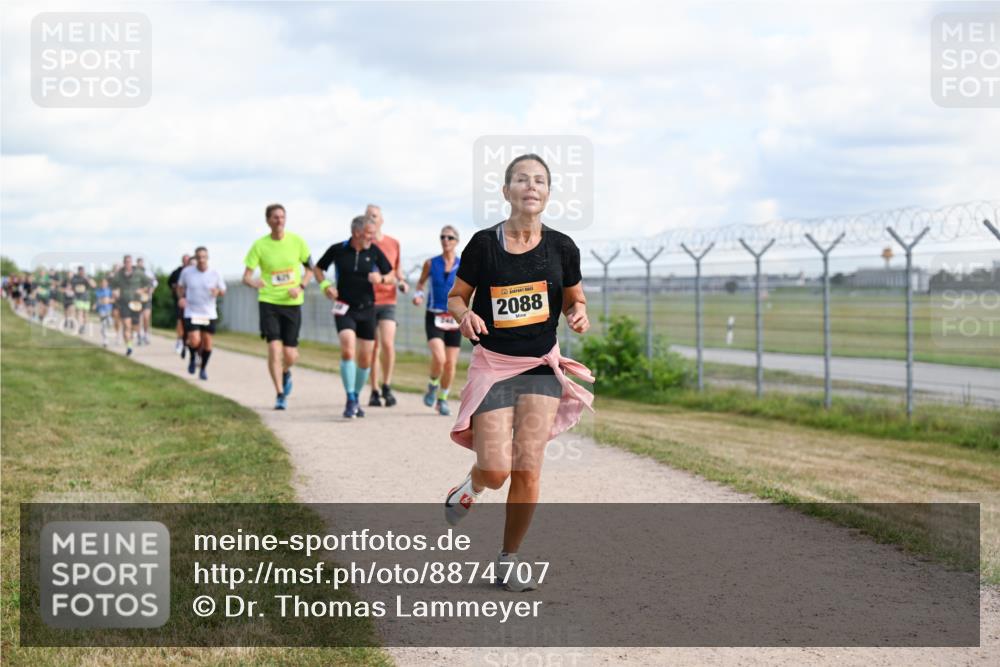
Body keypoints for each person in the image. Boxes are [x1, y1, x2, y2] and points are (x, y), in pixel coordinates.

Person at [442, 154, 594, 592]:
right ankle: (471, 486)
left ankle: (509, 559)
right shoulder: (483, 245)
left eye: (540, 181)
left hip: (541, 366)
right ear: (506, 191)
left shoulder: (563, 247)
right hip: (494, 366)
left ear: (548, 193)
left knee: (527, 466)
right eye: (522, 180)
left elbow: (574, 299)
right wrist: (464, 315)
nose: (532, 186)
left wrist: (579, 313)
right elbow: (457, 297)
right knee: (496, 470)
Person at [313, 214, 394, 419]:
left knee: (365, 358)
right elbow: (318, 268)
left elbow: (391, 275)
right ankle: (350, 398)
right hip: (344, 307)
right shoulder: (338, 249)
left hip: (367, 309)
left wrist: (381, 278)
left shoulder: (374, 251)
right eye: (369, 234)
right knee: (348, 348)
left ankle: (356, 397)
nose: (372, 238)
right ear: (357, 232)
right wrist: (325, 286)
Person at [243, 203, 313, 410]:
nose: (279, 220)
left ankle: (286, 371)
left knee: (290, 355)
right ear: (267, 221)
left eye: (282, 217)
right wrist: (255, 282)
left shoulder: (297, 242)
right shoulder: (259, 246)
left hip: (292, 302)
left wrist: (300, 286)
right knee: (274, 348)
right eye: (275, 217)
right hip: (269, 301)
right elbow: (246, 276)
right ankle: (280, 394)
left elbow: (311, 269)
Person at [412, 225, 462, 416]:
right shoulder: (431, 263)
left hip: (455, 317)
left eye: (450, 237)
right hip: (434, 315)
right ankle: (433, 384)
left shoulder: (463, 264)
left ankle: (442, 399)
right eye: (442, 237)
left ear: (456, 241)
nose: (445, 240)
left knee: (450, 363)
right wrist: (418, 295)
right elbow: (420, 283)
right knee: (439, 358)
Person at [365, 204, 409, 407]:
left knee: (388, 344)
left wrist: (403, 282)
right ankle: (373, 390)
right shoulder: (362, 244)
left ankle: (387, 385)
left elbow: (397, 271)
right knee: (372, 347)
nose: (371, 219)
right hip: (367, 301)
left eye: (374, 216)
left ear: (381, 220)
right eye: (368, 216)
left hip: (388, 300)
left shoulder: (393, 243)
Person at [178, 246, 226, 380]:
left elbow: (223, 290)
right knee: (194, 340)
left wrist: (218, 292)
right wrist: (181, 297)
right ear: (196, 258)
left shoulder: (215, 273)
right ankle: (193, 357)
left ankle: (203, 368)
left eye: (204, 257)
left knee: (207, 343)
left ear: (207, 258)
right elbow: (180, 287)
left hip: (208, 312)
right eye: (198, 257)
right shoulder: (187, 272)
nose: (201, 260)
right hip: (192, 311)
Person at [111, 255, 152, 356]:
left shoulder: (138, 273)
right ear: (124, 262)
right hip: (124, 303)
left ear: (131, 262)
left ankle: (134, 336)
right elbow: (113, 285)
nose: (127, 263)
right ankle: (129, 347)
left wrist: (143, 290)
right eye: (126, 262)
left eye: (129, 262)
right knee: (126, 325)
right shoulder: (119, 274)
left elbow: (150, 284)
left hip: (136, 304)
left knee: (135, 326)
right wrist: (115, 292)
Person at [168, 254, 193, 357]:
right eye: (185, 260)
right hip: (181, 301)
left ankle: (189, 344)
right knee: (180, 321)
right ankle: (179, 340)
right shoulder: (178, 272)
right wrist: (178, 294)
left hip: (194, 303)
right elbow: (171, 283)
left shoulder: (196, 273)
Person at [136, 257, 158, 345]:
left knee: (146, 317)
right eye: (139, 263)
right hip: (136, 299)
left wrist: (151, 289)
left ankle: (145, 334)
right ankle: (139, 335)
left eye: (141, 263)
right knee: (138, 318)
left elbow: (155, 282)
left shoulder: (148, 273)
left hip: (147, 298)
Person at [70, 265, 96, 334]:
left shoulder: (87, 277)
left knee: (86, 314)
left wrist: (87, 279)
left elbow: (94, 285)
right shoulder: (75, 278)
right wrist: (76, 289)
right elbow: (72, 287)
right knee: (79, 313)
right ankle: (80, 326)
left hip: (86, 298)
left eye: (83, 271)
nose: (82, 272)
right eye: (80, 271)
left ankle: (83, 326)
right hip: (78, 298)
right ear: (78, 271)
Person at [94, 277, 115, 347]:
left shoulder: (110, 291)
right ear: (100, 284)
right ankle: (105, 340)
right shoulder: (98, 291)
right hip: (101, 310)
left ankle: (107, 330)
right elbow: (98, 300)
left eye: (105, 283)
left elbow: (114, 300)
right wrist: (97, 304)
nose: (103, 284)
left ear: (107, 283)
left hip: (109, 309)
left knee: (110, 323)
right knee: (103, 324)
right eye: (102, 283)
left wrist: (109, 300)